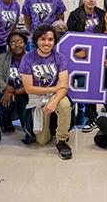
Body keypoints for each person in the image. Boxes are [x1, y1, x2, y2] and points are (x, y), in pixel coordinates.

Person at [19, 25, 73, 160]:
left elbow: (64, 86)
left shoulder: (60, 58)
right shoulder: (28, 58)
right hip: (37, 97)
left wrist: (54, 101)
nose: (46, 43)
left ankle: (61, 140)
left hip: (56, 96)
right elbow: (29, 88)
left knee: (65, 105)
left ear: (54, 42)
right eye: (43, 39)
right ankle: (52, 125)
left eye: (50, 39)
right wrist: (53, 89)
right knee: (42, 141)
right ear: (36, 40)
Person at [67, 0, 105, 125]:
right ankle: (74, 111)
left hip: (96, 56)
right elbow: (69, 36)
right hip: (79, 55)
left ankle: (90, 114)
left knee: (91, 85)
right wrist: (77, 53)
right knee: (78, 84)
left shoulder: (102, 14)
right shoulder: (74, 15)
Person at [0, 31, 33, 142]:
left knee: (24, 107)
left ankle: (28, 131)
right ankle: (6, 124)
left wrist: (16, 91)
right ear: (9, 46)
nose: (16, 45)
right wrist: (6, 88)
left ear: (25, 43)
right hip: (7, 92)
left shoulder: (31, 58)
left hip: (25, 92)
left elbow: (35, 81)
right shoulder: (3, 57)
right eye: (13, 43)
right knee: (5, 100)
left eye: (19, 42)